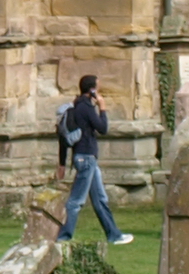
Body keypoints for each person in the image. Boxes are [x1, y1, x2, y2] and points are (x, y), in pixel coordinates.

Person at [54, 74, 132, 244]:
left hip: (86, 158)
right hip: (86, 158)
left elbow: (62, 138)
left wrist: (62, 163)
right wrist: (102, 108)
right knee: (76, 201)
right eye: (98, 88)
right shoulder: (86, 108)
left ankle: (114, 235)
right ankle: (63, 236)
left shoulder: (75, 106)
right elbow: (103, 128)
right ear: (92, 90)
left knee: (100, 199)